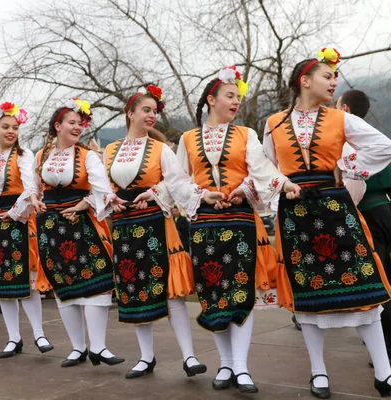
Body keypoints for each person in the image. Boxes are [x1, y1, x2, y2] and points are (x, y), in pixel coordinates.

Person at [264, 48, 391, 398]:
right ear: (305, 81)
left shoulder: (341, 119)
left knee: (364, 286)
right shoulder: (273, 123)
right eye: (327, 76)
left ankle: (385, 372)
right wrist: (282, 184)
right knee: (308, 293)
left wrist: (348, 166)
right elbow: (265, 168)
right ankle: (318, 372)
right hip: (295, 213)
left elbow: (383, 146)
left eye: (335, 77)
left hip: (336, 207)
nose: (334, 82)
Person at [177, 66, 300, 393]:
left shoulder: (246, 134)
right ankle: (226, 364)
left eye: (238, 98)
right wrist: (204, 194)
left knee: (241, 292)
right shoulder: (187, 138)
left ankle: (241, 367)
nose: (235, 102)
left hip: (240, 221)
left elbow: (259, 169)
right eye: (230, 96)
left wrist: (247, 189)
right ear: (211, 99)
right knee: (214, 294)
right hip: (205, 225)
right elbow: (177, 180)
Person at [104, 86, 224, 379]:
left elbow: (177, 182)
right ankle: (146, 357)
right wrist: (109, 198)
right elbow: (100, 185)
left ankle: (189, 356)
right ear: (130, 112)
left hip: (156, 225)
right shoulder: (109, 150)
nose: (151, 115)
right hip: (124, 226)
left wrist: (155, 191)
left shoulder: (161, 149)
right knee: (135, 292)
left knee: (171, 292)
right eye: (146, 110)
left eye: (155, 111)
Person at [34, 98, 126, 368]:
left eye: (80, 124)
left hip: (81, 224)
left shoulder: (88, 156)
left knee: (97, 280)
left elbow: (102, 189)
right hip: (51, 226)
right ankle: (77, 348)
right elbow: (33, 188)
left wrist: (84, 204)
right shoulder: (41, 156)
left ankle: (99, 347)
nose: (77, 128)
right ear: (57, 126)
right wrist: (35, 201)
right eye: (71, 123)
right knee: (64, 284)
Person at [0, 102, 51, 358]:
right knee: (2, 283)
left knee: (27, 281)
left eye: (15, 127)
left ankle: (39, 334)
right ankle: (13, 338)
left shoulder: (24, 155)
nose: (11, 131)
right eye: (5, 127)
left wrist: (14, 212)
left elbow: (31, 189)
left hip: (19, 220)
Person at [337, 89, 391, 368]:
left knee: (378, 281)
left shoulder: (351, 142)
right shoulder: (376, 138)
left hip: (367, 213)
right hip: (387, 209)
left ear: (344, 109)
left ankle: (384, 350)